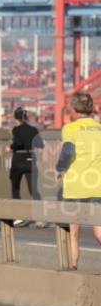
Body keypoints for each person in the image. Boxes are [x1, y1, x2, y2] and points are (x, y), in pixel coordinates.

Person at [56, 91, 101, 270]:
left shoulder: (70, 129)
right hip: (98, 186)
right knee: (99, 230)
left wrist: (60, 169)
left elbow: (67, 150)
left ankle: (73, 266)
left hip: (75, 187)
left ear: (74, 110)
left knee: (73, 233)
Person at [7, 108, 40, 208]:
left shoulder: (16, 130)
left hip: (19, 161)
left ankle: (17, 215)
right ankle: (39, 215)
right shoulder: (34, 130)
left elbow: (18, 144)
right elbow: (41, 144)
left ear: (16, 118)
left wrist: (10, 147)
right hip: (31, 160)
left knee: (15, 187)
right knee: (33, 190)